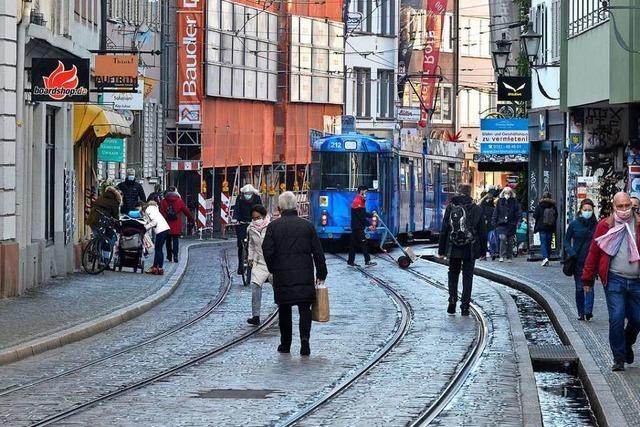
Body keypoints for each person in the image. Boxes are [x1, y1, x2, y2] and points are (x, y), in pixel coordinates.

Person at [262, 191, 328, 356]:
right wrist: (322, 272)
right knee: (305, 308)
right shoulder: (307, 226)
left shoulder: (273, 227)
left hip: (282, 275)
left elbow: (267, 250)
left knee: (284, 309)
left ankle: (285, 343)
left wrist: (272, 268)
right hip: (304, 274)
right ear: (296, 207)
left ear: (279, 208)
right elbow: (318, 252)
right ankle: (305, 340)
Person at [582, 192, 640, 371]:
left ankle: (626, 343)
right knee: (616, 317)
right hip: (614, 279)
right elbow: (594, 252)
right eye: (620, 206)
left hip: (637, 281)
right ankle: (619, 357)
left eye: (626, 206)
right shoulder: (605, 226)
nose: (624, 209)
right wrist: (587, 279)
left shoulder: (638, 224)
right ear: (613, 207)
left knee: (637, 319)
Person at [438, 184, 486, 316]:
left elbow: (444, 230)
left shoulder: (451, 207)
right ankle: (465, 306)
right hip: (470, 247)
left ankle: (452, 299)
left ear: (458, 192)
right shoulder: (476, 208)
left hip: (453, 247)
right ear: (469, 193)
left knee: (453, 274)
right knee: (467, 276)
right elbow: (482, 231)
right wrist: (483, 251)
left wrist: (441, 250)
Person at [564, 199, 597, 321]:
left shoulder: (596, 225)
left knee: (589, 285)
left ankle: (588, 311)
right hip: (577, 260)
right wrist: (571, 252)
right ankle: (581, 312)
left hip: (591, 261)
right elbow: (566, 240)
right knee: (579, 287)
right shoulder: (574, 224)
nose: (587, 212)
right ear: (580, 210)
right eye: (585, 210)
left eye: (589, 210)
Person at [246, 205, 271, 326]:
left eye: (258, 217)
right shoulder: (251, 228)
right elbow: (251, 244)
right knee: (255, 286)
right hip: (259, 262)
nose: (256, 220)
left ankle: (282, 309)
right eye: (254, 218)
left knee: (278, 287)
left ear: (264, 216)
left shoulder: (271, 227)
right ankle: (255, 315)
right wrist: (250, 257)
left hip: (272, 262)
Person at [86, 186, 122, 263]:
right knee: (107, 239)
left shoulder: (100, 198)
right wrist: (118, 227)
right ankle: (103, 260)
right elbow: (116, 216)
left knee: (97, 236)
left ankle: (94, 251)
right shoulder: (114, 202)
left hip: (92, 220)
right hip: (103, 222)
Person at [232, 184, 263, 275]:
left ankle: (259, 266)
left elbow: (260, 209)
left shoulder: (257, 198)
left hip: (254, 222)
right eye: (246, 193)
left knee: (257, 244)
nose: (247, 195)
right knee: (241, 245)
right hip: (242, 223)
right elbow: (237, 209)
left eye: (249, 193)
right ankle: (240, 266)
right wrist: (235, 218)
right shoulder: (240, 198)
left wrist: (260, 218)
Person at [160, 187, 195, 263]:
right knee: (176, 240)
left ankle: (169, 256)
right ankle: (175, 256)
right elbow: (186, 211)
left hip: (166, 223)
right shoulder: (179, 201)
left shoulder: (163, 201)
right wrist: (191, 218)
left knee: (168, 240)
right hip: (176, 223)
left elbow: (161, 212)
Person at [347, 185, 376, 267]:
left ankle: (350, 261)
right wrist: (369, 225)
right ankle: (367, 261)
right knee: (363, 243)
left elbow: (363, 213)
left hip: (356, 227)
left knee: (353, 245)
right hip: (358, 227)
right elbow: (361, 217)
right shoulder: (358, 201)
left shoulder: (360, 200)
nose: (366, 194)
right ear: (361, 191)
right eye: (365, 192)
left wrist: (372, 215)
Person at [492, 187, 521, 262]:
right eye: (506, 193)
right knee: (503, 238)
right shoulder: (500, 201)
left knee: (510, 241)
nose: (507, 195)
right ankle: (502, 255)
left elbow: (518, 212)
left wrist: (518, 221)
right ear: (503, 193)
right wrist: (494, 221)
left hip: (511, 224)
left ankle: (509, 256)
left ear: (511, 194)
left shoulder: (514, 202)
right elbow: (496, 212)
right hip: (501, 223)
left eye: (508, 193)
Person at [143, 201, 171, 275]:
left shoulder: (148, 210)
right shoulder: (155, 210)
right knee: (159, 249)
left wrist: (145, 228)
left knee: (158, 249)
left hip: (160, 230)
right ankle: (159, 268)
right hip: (165, 229)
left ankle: (155, 267)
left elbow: (154, 222)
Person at [534, 192, 559, 266]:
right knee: (549, 243)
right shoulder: (553, 206)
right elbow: (556, 216)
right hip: (550, 227)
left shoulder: (540, 205)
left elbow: (535, 215)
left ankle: (545, 258)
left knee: (543, 243)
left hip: (541, 227)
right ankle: (547, 257)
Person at [478, 191, 497, 260]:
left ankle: (487, 254)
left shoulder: (482, 206)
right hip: (489, 225)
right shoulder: (490, 206)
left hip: (486, 225)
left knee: (485, 240)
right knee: (491, 239)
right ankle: (492, 252)